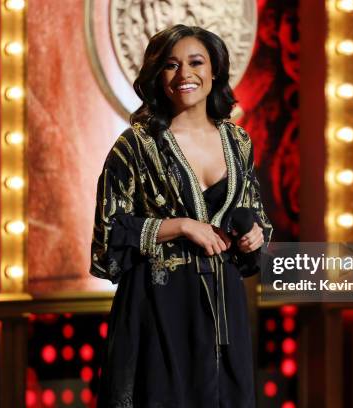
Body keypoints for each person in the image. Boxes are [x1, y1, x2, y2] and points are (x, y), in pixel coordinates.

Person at [90, 24, 273, 408]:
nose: (185, 74)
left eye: (195, 62)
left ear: (215, 71)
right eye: (171, 65)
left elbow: (256, 215)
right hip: (159, 303)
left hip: (225, 306)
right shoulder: (135, 146)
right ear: (158, 76)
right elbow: (107, 235)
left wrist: (254, 235)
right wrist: (180, 226)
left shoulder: (238, 141)